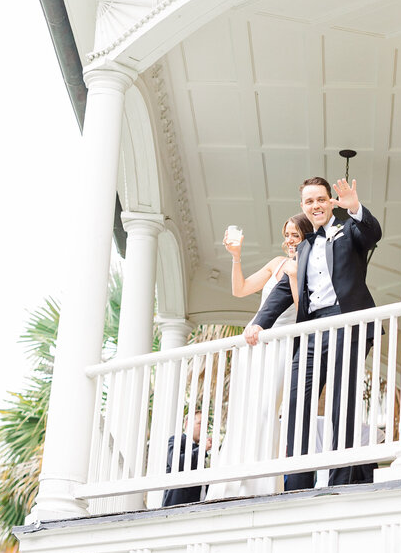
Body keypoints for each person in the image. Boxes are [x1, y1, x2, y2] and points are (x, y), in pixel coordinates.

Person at [244, 176, 381, 491]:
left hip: (347, 322)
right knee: (296, 403)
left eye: (321, 199)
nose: (315, 205)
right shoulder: (302, 248)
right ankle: (299, 481)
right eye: (309, 201)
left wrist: (355, 206)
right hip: (311, 328)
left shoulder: (349, 231)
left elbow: (373, 233)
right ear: (302, 207)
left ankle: (340, 479)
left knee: (340, 401)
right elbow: (282, 290)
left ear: (331, 201)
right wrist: (259, 322)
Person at [207, 214, 312, 501]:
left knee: (267, 408)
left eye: (296, 235)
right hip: (255, 343)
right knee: (247, 408)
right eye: (287, 235)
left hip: (281, 343)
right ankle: (229, 481)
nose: (290, 240)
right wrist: (236, 257)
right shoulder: (275, 263)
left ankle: (260, 483)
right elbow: (239, 290)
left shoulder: (307, 265)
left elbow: (303, 309)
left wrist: (294, 272)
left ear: (306, 237)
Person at [162, 409, 212, 506]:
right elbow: (178, 463)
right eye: (200, 424)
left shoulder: (199, 449)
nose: (204, 429)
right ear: (187, 424)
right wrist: (202, 450)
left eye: (206, 426)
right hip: (176, 507)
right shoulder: (176, 440)